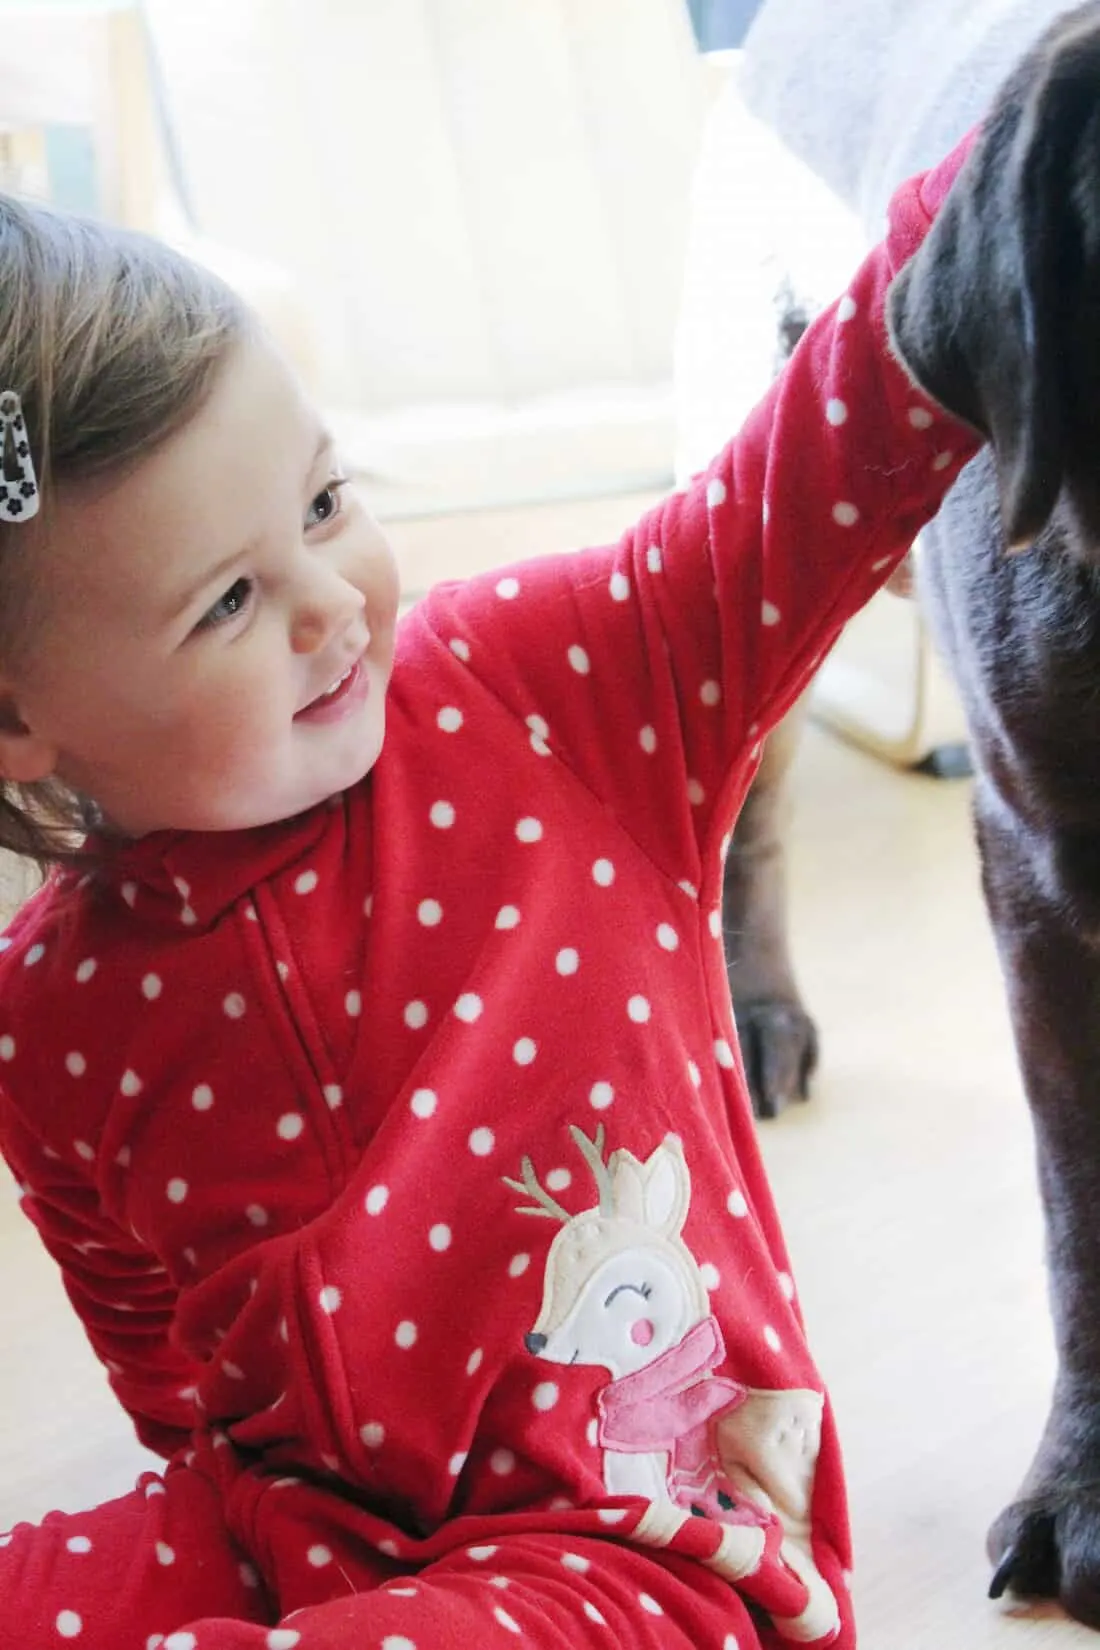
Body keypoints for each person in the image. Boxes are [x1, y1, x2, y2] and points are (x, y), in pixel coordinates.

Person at [0, 117, 979, 1650]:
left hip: (647, 1552)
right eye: (231, 601)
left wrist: (999, 172)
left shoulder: (557, 693)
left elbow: (819, 467)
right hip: (296, 1536)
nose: (332, 606)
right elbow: (159, 1366)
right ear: (16, 721)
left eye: (326, 506)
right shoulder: (47, 1014)